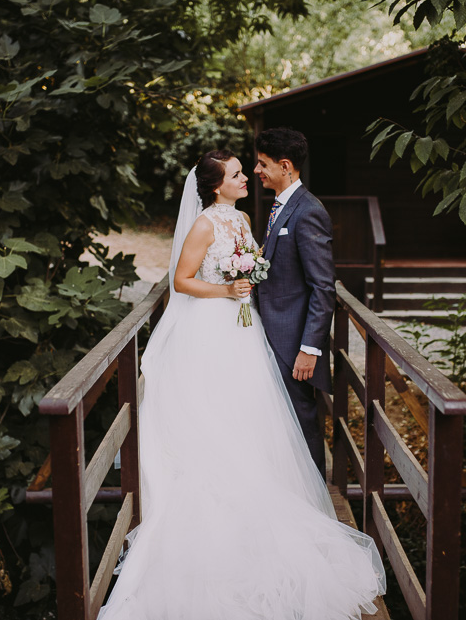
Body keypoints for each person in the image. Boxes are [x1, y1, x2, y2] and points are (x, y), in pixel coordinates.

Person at [98, 150, 385, 620]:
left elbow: (254, 268)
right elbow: (181, 281)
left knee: (250, 412)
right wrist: (228, 290)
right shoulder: (205, 226)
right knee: (211, 412)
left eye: (245, 171)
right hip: (209, 328)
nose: (246, 177)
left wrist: (248, 282)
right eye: (236, 174)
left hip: (242, 330)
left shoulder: (244, 222)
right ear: (216, 187)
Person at [253, 127, 335, 473]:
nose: (257, 171)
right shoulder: (281, 207)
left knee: (302, 421)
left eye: (262, 164)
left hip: (293, 344)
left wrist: (309, 349)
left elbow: (323, 287)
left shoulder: (308, 211)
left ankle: (314, 499)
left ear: (284, 166)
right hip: (271, 333)